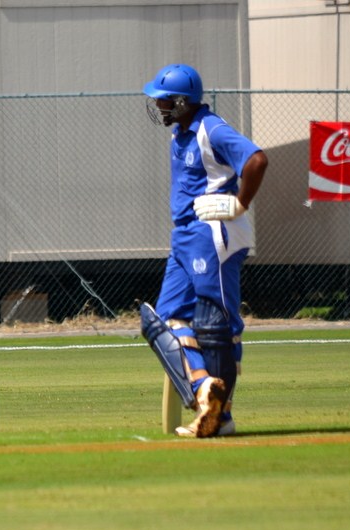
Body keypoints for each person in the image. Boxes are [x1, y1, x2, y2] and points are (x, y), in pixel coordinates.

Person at [140, 64, 268, 438]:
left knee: (215, 326)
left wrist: (240, 202)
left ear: (183, 102)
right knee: (164, 322)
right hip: (184, 236)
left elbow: (256, 160)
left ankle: (221, 418)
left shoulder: (210, 128)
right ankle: (202, 390)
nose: (159, 107)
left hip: (212, 232)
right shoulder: (180, 133)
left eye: (165, 101)